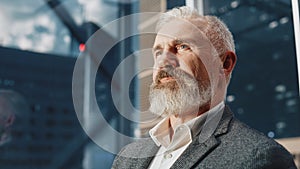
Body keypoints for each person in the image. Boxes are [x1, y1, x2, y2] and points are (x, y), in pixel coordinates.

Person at [112, 6, 296, 169]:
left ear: (225, 63)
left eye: (182, 47)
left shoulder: (261, 158)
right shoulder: (127, 157)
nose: (163, 62)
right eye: (158, 52)